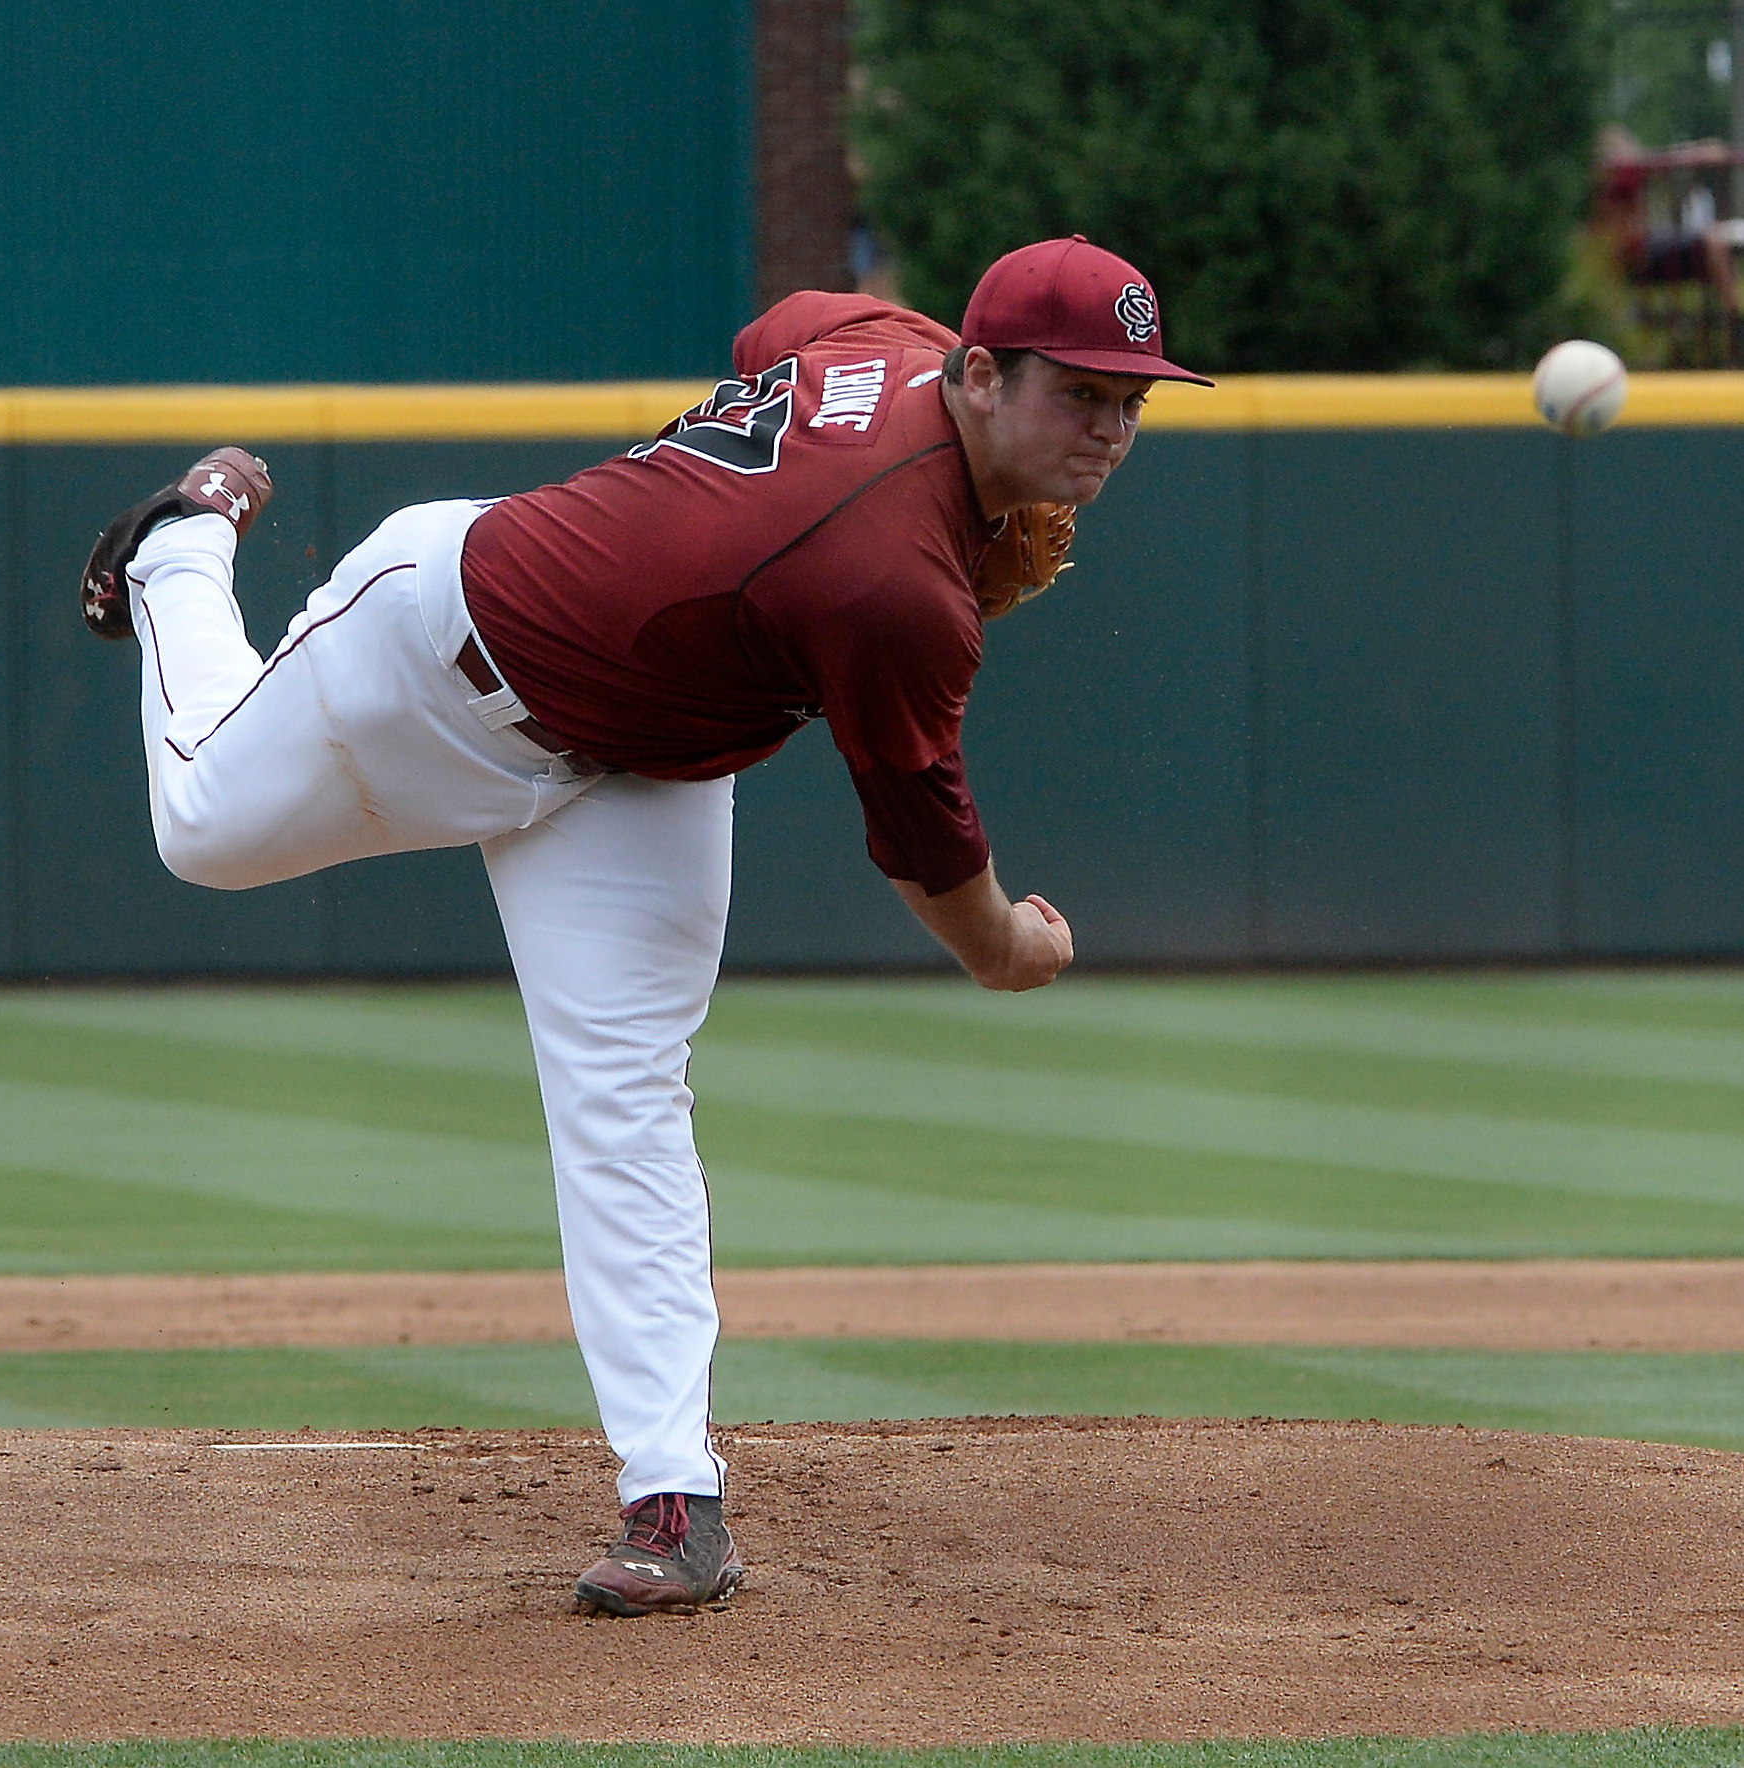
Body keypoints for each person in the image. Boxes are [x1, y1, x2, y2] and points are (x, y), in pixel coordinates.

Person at [78, 234, 1211, 1617]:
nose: (1106, 429)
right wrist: (1012, 950)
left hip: (647, 759)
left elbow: (774, 334)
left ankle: (674, 1501)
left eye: (1129, 402)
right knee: (200, 832)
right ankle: (182, 551)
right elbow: (928, 855)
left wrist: (726, 488)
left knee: (624, 1097)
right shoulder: (892, 586)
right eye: (1076, 393)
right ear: (979, 371)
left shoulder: (888, 347)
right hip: (438, 656)